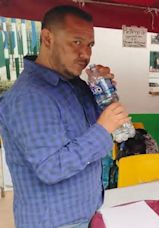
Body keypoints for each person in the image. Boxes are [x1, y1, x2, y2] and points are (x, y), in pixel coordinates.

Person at [0, 6, 130, 228]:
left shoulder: (75, 85)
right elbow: (51, 167)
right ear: (47, 38)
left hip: (86, 212)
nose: (86, 54)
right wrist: (103, 128)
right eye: (76, 42)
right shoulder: (29, 96)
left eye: (90, 45)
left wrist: (104, 94)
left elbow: (106, 133)